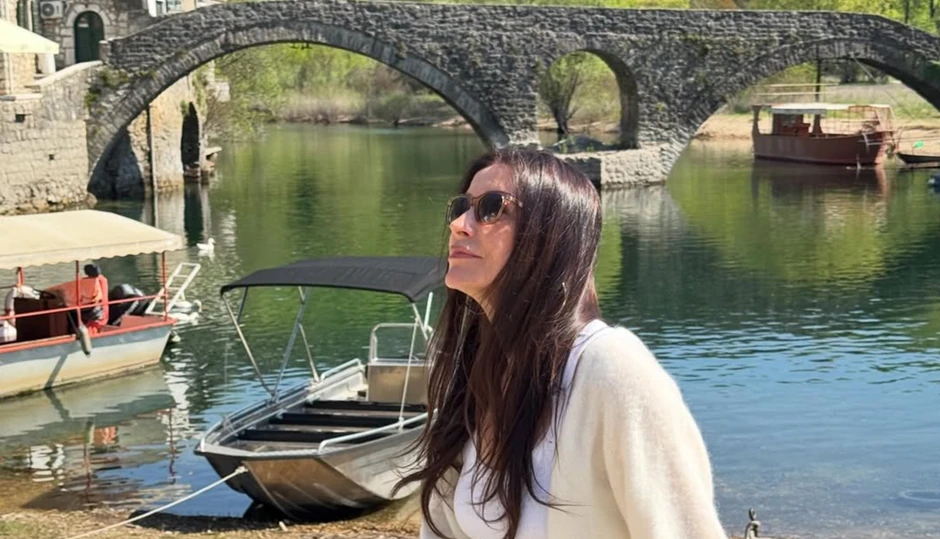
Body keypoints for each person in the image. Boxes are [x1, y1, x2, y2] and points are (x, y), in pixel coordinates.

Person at [396, 149, 727, 539]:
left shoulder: (613, 370)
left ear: (551, 238)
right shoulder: (473, 373)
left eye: (491, 208)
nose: (459, 225)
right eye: (461, 207)